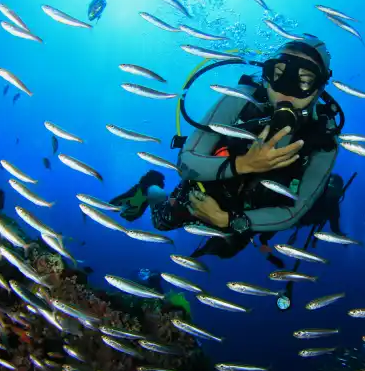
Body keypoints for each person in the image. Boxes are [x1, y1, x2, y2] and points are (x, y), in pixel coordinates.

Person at [110, 35, 342, 259]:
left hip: (246, 211)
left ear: (320, 86)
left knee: (225, 251)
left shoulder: (324, 138)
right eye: (279, 74)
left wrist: (229, 220)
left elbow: (295, 211)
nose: (286, 89)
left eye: (304, 80)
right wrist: (244, 164)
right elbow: (187, 161)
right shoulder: (241, 99)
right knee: (161, 222)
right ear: (267, 74)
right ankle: (150, 187)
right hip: (203, 191)